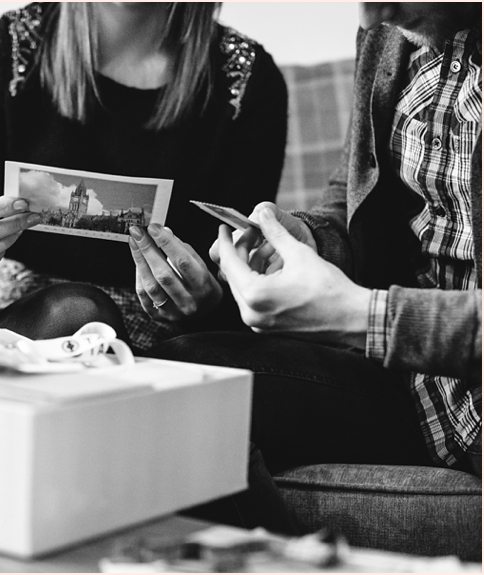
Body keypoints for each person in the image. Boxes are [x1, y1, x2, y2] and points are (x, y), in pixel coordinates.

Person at [137, 1, 481, 530]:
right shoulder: (392, 31)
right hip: (411, 384)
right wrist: (306, 236)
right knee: (169, 388)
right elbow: (351, 194)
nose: (370, 18)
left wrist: (362, 316)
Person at [0, 2, 287, 352]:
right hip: (24, 325)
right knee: (77, 312)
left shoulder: (246, 79)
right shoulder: (5, 55)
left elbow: (239, 289)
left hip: (174, 344)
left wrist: (207, 303)